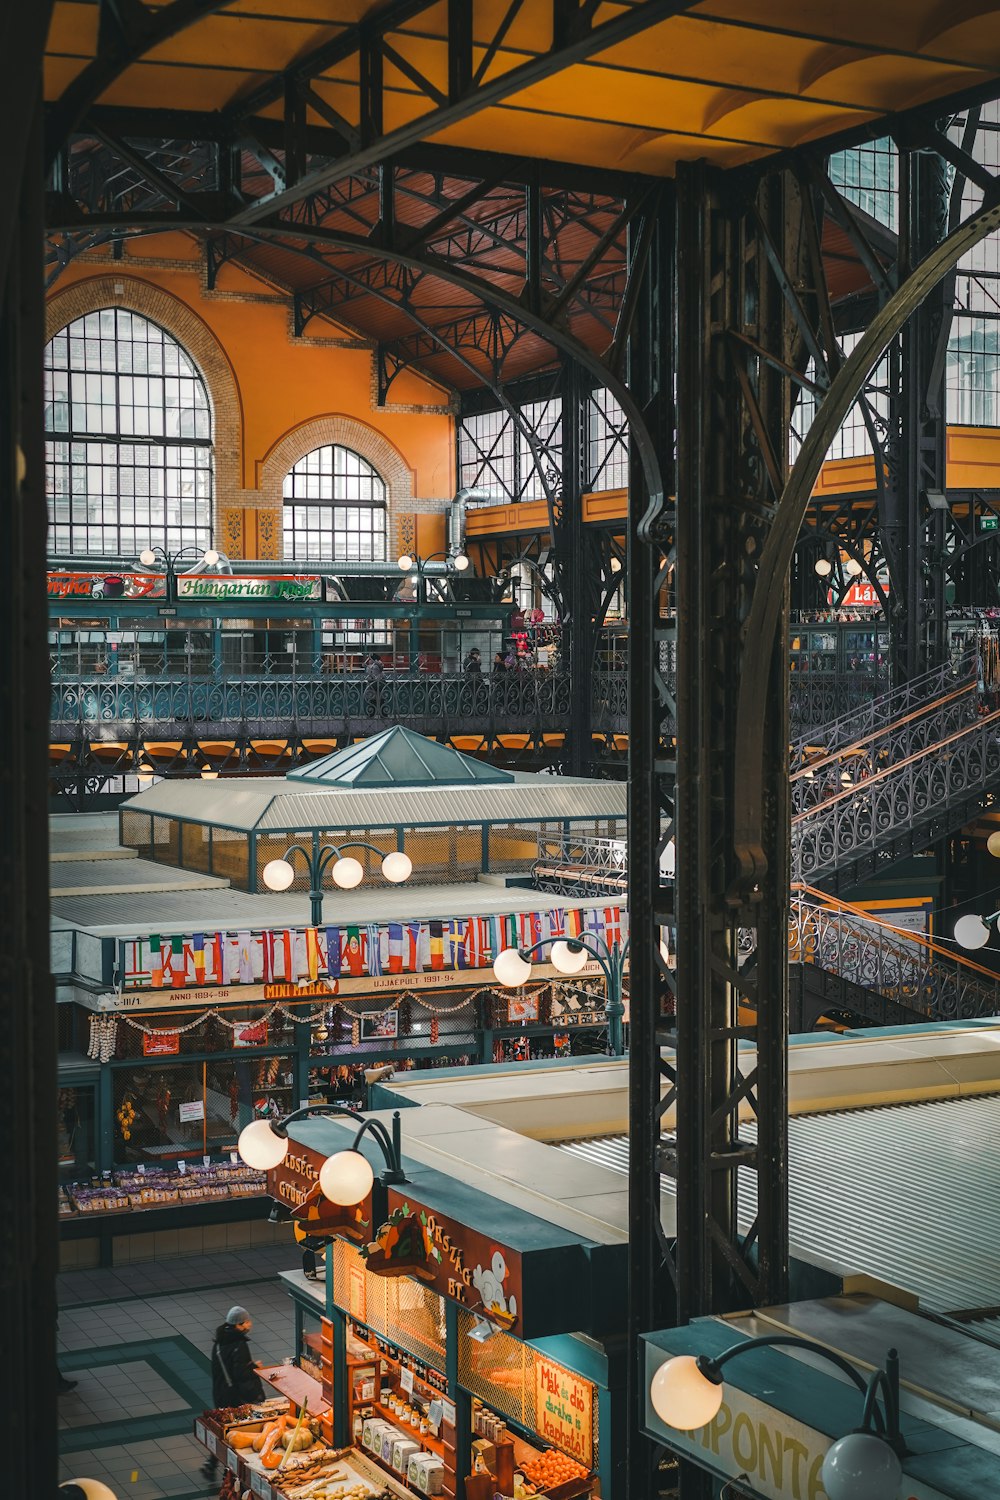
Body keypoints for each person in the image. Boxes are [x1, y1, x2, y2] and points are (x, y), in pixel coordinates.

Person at [200, 1306, 265, 1483]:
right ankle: (228, 1473)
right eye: (247, 1321)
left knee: (225, 1430)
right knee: (235, 1435)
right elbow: (240, 1374)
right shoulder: (238, 1344)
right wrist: (254, 1367)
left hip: (220, 1393)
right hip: (234, 1396)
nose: (250, 1324)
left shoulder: (220, 1342)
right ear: (240, 1324)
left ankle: (212, 1464)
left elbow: (228, 1368)